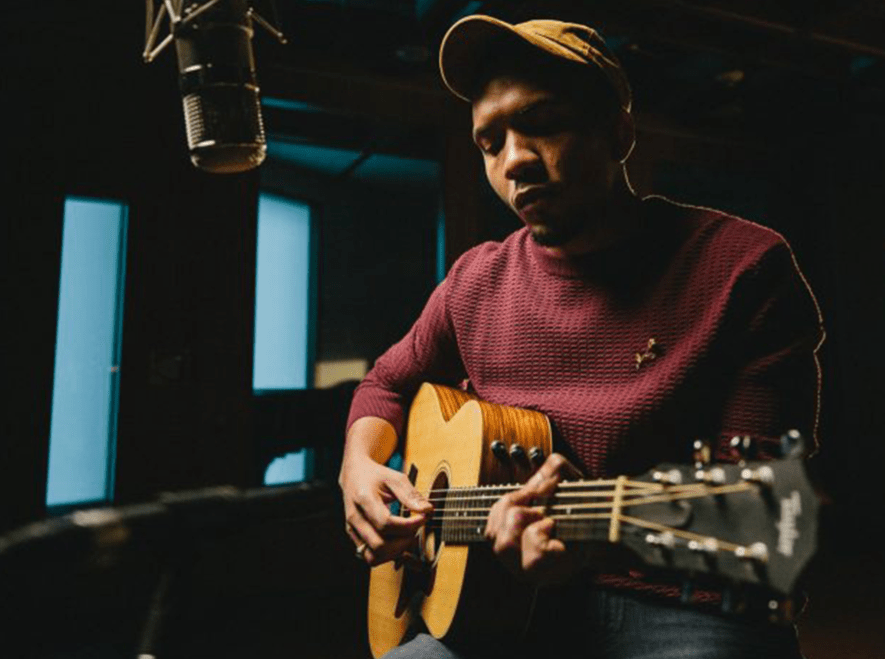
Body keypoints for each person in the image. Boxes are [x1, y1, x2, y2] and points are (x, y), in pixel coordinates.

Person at [338, 14, 824, 659]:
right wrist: (359, 468)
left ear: (618, 131)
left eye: (541, 123)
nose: (514, 160)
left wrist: (592, 534)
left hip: (684, 602)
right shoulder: (475, 280)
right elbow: (385, 383)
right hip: (491, 605)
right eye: (490, 143)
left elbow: (758, 503)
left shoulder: (744, 266)